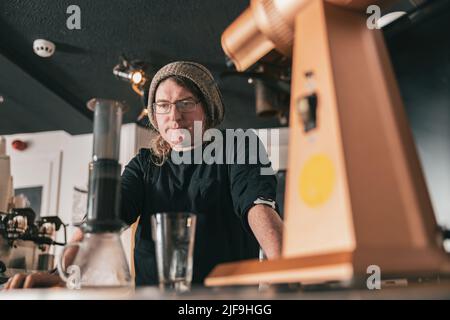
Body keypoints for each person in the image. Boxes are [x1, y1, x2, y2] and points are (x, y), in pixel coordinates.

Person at [3, 61, 283, 289]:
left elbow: (257, 206)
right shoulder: (145, 164)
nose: (174, 115)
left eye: (186, 102)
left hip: (224, 299)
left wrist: (283, 268)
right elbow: (107, 218)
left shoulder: (238, 147)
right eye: (163, 105)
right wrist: (63, 274)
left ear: (207, 110)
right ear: (154, 115)